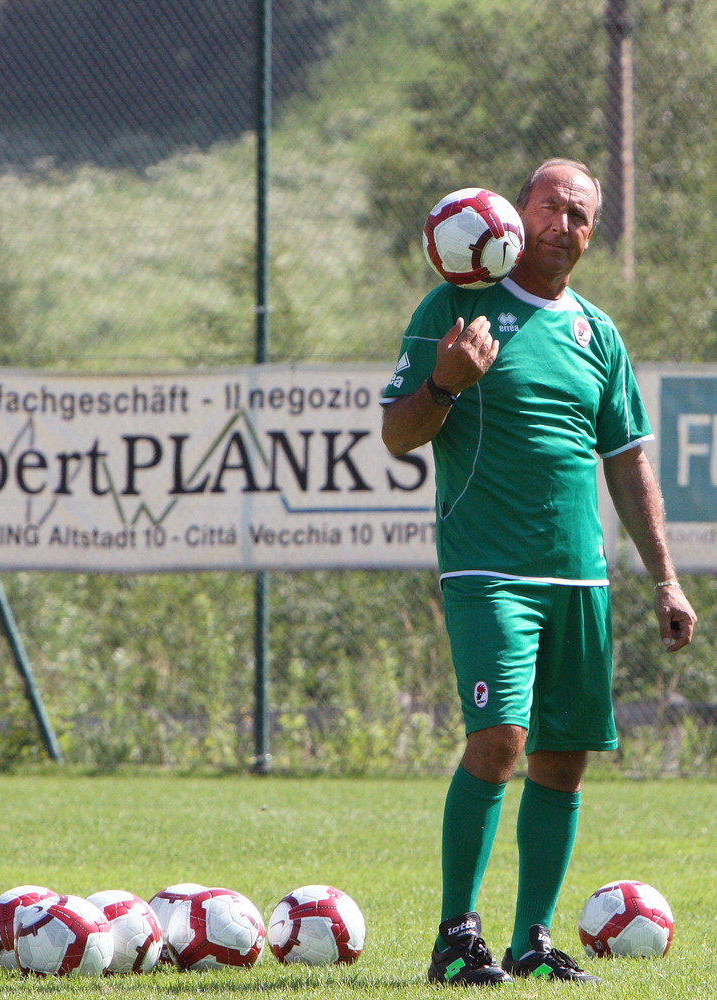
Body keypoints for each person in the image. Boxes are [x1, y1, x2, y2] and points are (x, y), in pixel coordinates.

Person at [380, 158, 697, 986]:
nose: (565, 224)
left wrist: (663, 576)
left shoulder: (597, 331)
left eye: (582, 214)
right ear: (515, 214)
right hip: (488, 571)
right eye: (552, 206)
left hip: (580, 580)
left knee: (563, 759)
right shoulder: (455, 305)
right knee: (499, 740)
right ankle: (456, 937)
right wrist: (446, 385)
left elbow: (628, 462)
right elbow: (396, 434)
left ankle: (532, 941)